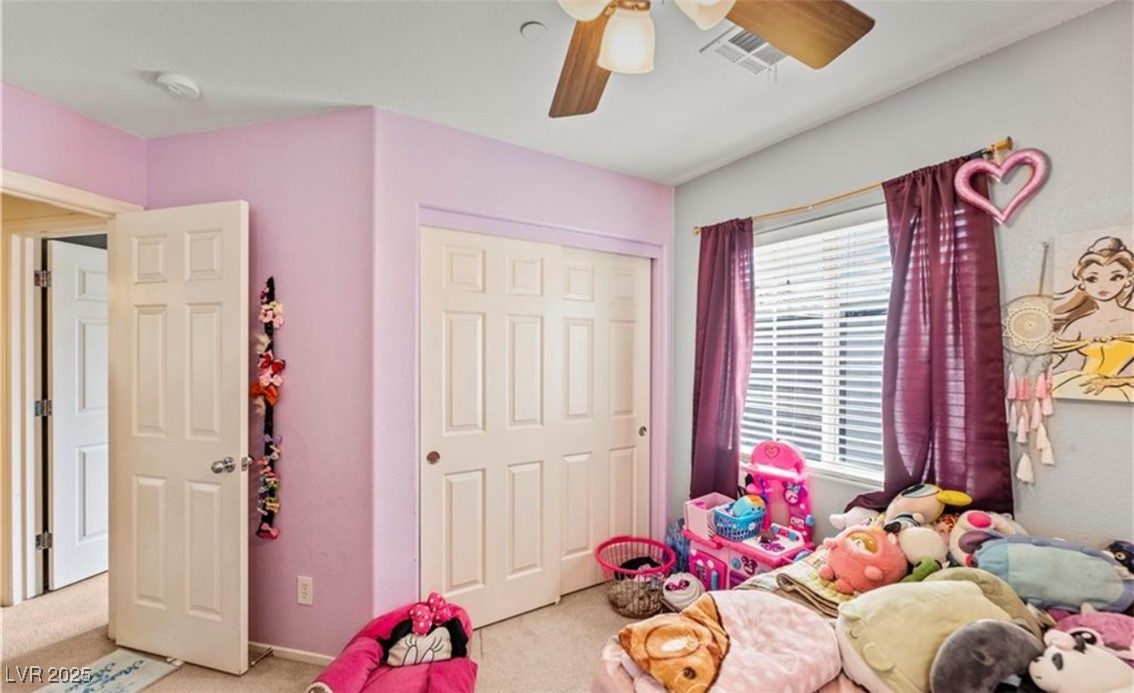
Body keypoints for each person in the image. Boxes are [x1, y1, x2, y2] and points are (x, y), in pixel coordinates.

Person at [1051, 236, 1134, 402]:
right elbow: (1052, 360)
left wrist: (1119, 381)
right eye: (1092, 279)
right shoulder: (1079, 324)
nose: (1103, 286)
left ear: (1128, 280)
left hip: (1120, 393)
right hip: (1077, 388)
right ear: (1082, 283)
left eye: (1115, 277)